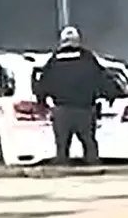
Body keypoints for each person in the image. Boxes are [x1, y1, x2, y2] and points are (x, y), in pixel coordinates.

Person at [35, 25, 106, 165]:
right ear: (78, 40)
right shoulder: (87, 58)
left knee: (62, 148)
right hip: (85, 109)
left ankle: (63, 176)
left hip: (62, 111)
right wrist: (109, 95)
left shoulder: (54, 60)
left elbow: (43, 84)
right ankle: (94, 173)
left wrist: (41, 101)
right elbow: (101, 79)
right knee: (89, 144)